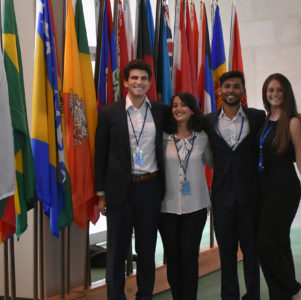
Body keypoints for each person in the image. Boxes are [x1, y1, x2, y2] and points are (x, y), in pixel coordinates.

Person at [94, 59, 169, 299]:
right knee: (116, 251)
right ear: (125, 82)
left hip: (150, 188)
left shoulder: (160, 111)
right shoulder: (109, 113)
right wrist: (100, 194)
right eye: (134, 78)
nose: (139, 82)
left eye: (144, 78)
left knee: (147, 249)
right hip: (119, 192)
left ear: (149, 83)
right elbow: (100, 155)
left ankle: (145, 294)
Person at [256, 73, 301, 300]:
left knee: (265, 243)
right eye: (270, 90)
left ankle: (297, 292)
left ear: (286, 93)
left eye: (278, 90)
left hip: (284, 188)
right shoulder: (265, 119)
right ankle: (281, 295)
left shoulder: (294, 122)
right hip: (265, 187)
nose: (274, 94)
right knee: (279, 243)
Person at [203, 71, 265, 300]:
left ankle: (253, 296)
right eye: (227, 86)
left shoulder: (257, 117)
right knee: (226, 256)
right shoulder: (207, 120)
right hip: (222, 200)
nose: (231, 90)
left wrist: (296, 118)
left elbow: (277, 124)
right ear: (220, 90)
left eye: (236, 87)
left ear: (243, 90)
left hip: (251, 199)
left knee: (251, 254)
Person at [159, 92, 213, 300]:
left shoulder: (203, 137)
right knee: (173, 258)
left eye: (183, 105)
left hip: (196, 207)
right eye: (174, 105)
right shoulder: (163, 138)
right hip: (167, 208)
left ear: (192, 109)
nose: (178, 109)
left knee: (189, 256)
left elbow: (214, 162)